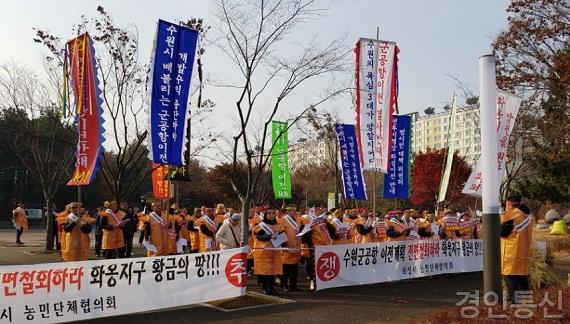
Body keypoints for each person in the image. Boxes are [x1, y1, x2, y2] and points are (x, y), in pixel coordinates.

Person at [500, 196, 533, 303]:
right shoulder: (528, 214)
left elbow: (503, 232)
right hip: (523, 249)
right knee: (521, 274)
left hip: (511, 249)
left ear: (510, 203)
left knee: (509, 275)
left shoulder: (512, 214)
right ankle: (526, 297)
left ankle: (515, 300)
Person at [253, 210, 285, 295]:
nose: (271, 215)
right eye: (269, 213)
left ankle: (272, 288)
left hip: (275, 252)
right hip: (263, 252)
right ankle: (265, 288)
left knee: (273, 272)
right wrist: (270, 236)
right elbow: (258, 237)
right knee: (264, 272)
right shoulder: (261, 225)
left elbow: (283, 236)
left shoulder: (278, 226)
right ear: (265, 215)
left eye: (273, 213)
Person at [279, 209, 301, 291]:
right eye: (292, 211)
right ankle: (284, 285)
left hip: (296, 248)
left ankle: (293, 285)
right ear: (288, 212)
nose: (294, 212)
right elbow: (281, 233)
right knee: (286, 270)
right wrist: (284, 246)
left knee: (295, 270)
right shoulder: (283, 220)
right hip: (287, 248)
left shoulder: (297, 220)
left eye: (295, 211)